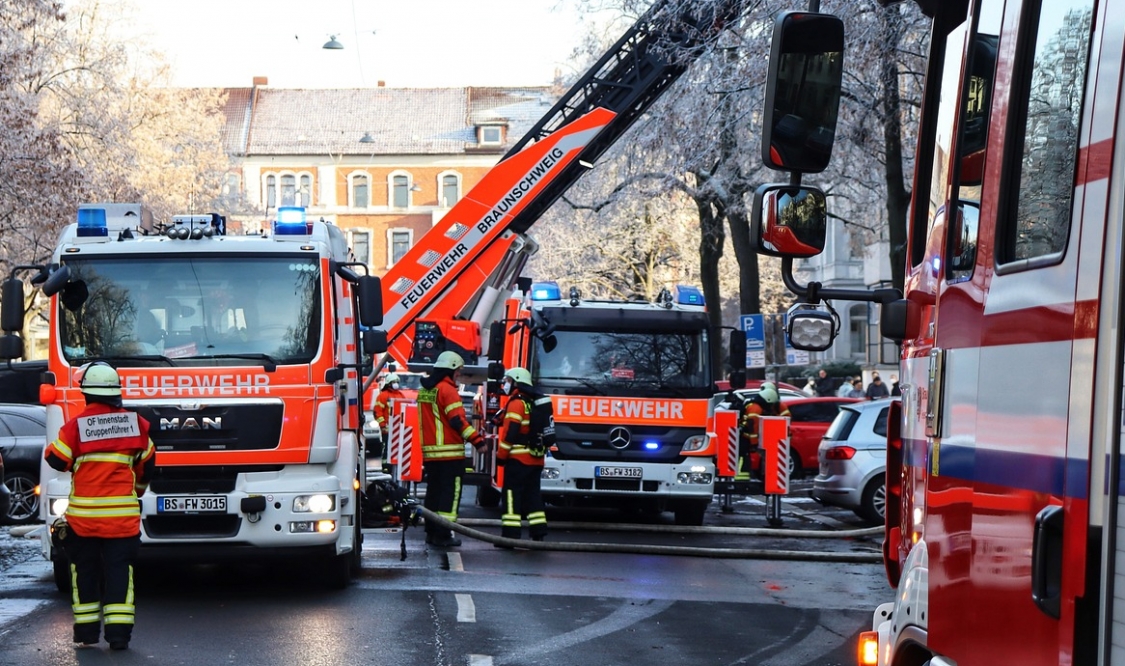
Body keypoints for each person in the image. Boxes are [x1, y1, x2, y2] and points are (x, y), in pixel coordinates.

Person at [43, 362, 155, 650]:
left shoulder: (76, 428)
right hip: (122, 522)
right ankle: (118, 636)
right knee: (120, 575)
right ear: (116, 393)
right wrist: (137, 491)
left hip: (84, 522)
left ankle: (87, 633)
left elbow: (56, 460)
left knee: (85, 574)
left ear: (87, 394)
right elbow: (148, 465)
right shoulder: (136, 425)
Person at [417, 351, 485, 548]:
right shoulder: (447, 390)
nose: (459, 375)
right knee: (450, 494)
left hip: (431, 454)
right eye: (458, 371)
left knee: (433, 493)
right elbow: (457, 420)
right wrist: (478, 441)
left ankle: (431, 531)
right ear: (451, 369)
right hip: (450, 454)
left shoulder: (426, 391)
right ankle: (444, 534)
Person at [495, 367, 548, 544]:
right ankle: (538, 533)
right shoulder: (533, 401)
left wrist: (501, 456)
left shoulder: (517, 403)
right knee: (533, 495)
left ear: (517, 382)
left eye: (509, 380)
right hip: (536, 459)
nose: (506, 384)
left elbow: (510, 433)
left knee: (511, 496)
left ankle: (510, 535)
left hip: (518, 460)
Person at [736, 383, 790, 480]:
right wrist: (754, 443)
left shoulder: (759, 406)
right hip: (746, 438)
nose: (770, 407)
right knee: (745, 459)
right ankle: (741, 482)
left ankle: (761, 479)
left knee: (753, 459)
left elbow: (784, 421)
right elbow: (753, 426)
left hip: (753, 438)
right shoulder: (756, 408)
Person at [372, 372, 407, 446]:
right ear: (389, 383)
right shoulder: (383, 396)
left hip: (399, 428)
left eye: (397, 382)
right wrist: (382, 425)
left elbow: (405, 410)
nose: (396, 384)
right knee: (387, 449)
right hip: (387, 429)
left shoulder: (401, 395)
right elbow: (377, 412)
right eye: (394, 382)